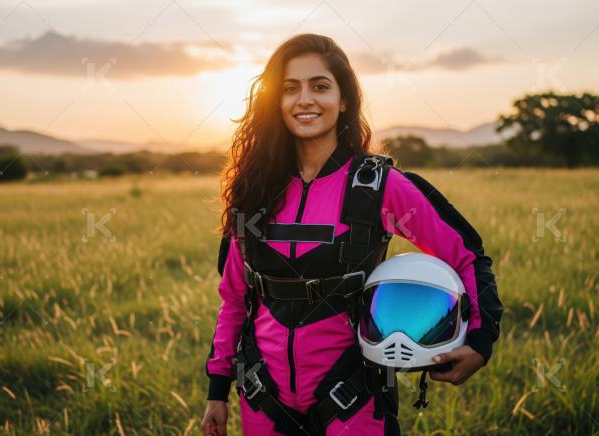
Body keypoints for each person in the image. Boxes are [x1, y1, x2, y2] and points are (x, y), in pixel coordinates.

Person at [201, 33, 502, 435]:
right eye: (290, 88)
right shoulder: (253, 189)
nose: (304, 99)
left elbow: (465, 254)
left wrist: (480, 342)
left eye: (320, 86)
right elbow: (235, 298)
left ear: (344, 100)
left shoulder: (380, 186)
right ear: (276, 101)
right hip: (261, 400)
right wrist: (217, 389)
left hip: (352, 402)